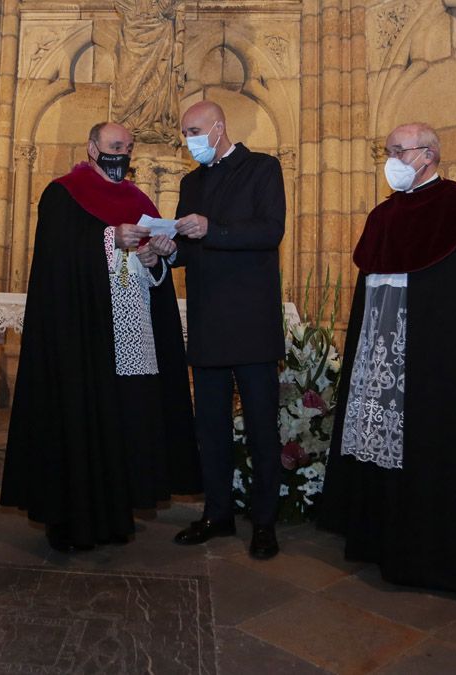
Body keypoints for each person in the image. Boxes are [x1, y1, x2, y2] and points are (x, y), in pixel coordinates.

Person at [316, 122, 456, 610]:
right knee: (384, 447)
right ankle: (381, 542)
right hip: (383, 360)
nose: (392, 157)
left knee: (432, 449)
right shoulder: (382, 215)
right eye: (388, 149)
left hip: (440, 365)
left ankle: (435, 557)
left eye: (401, 149)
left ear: (430, 154)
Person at [0, 122, 200, 552]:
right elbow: (57, 259)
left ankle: (116, 511)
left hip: (133, 331)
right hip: (81, 334)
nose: (121, 154)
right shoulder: (63, 193)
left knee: (124, 418)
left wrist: (153, 258)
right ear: (91, 147)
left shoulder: (138, 200)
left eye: (127, 147)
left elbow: (155, 275)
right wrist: (111, 238)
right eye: (114, 146)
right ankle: (70, 519)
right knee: (81, 417)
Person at [167, 101, 287, 560]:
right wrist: (165, 249)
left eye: (195, 130)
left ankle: (264, 522)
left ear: (219, 127)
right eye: (185, 132)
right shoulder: (189, 182)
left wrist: (211, 229)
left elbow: (269, 231)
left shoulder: (261, 168)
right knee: (210, 427)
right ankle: (217, 513)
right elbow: (186, 246)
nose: (189, 139)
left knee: (261, 428)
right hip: (206, 322)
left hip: (251, 323)